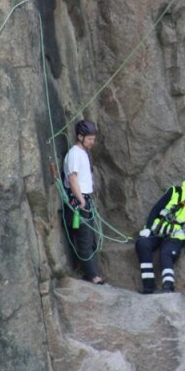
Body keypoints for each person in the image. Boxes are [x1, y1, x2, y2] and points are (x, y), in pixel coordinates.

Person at [134, 165, 185, 293]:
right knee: (142, 244)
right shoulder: (174, 191)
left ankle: (168, 286)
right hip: (158, 231)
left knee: (167, 252)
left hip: (175, 236)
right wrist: (147, 228)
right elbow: (155, 209)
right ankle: (148, 286)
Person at [63, 119, 104, 285]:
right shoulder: (74, 154)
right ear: (80, 137)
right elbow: (72, 178)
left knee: (91, 239)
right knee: (84, 238)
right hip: (78, 201)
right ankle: (93, 276)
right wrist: (81, 200)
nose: (92, 142)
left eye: (93, 139)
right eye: (89, 139)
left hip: (85, 199)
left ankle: (91, 272)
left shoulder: (84, 153)